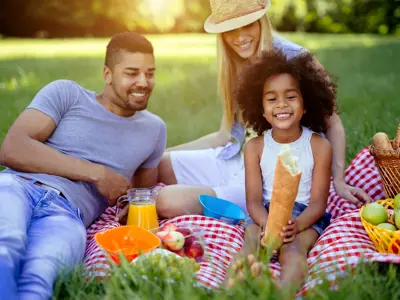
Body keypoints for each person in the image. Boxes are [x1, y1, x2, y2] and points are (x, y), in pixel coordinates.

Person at [155, 0, 372, 219]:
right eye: (230, 29)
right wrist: (161, 153)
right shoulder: (235, 64)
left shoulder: (296, 58)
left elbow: (333, 123)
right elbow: (226, 135)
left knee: (166, 201)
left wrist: (339, 180)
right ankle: (213, 193)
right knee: (156, 164)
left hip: (269, 180)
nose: (240, 37)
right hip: (237, 160)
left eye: (247, 25)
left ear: (261, 21)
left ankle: (219, 199)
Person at [0, 32, 166, 300]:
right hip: (18, 187)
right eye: (132, 73)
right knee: (6, 247)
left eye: (150, 73)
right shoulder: (67, 94)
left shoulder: (154, 130)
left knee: (40, 277)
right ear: (108, 74)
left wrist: (129, 206)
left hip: (68, 216)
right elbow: (12, 148)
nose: (143, 82)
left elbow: (141, 195)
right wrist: (96, 173)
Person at [226, 49, 335, 292]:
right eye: (271, 99)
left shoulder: (319, 146)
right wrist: (267, 224)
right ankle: (232, 287)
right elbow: (253, 201)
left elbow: (318, 203)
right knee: (251, 239)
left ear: (306, 104)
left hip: (305, 217)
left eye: (291, 96)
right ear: (261, 108)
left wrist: (296, 224)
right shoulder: (254, 148)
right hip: (266, 212)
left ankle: (283, 292)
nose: (282, 105)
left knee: (293, 248)